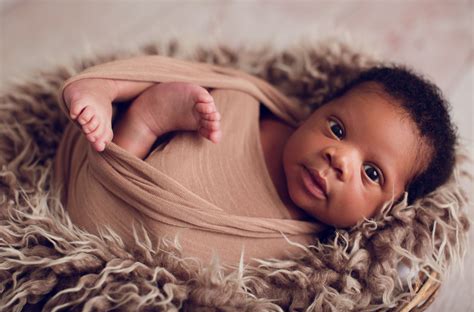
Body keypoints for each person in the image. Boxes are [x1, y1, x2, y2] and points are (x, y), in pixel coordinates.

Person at [62, 65, 457, 228]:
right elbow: (203, 73)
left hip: (141, 217)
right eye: (336, 129)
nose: (339, 158)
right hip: (142, 158)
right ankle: (114, 92)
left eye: (372, 173)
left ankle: (142, 121)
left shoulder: (310, 246)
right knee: (210, 92)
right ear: (311, 113)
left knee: (95, 216)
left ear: (389, 210)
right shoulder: (262, 115)